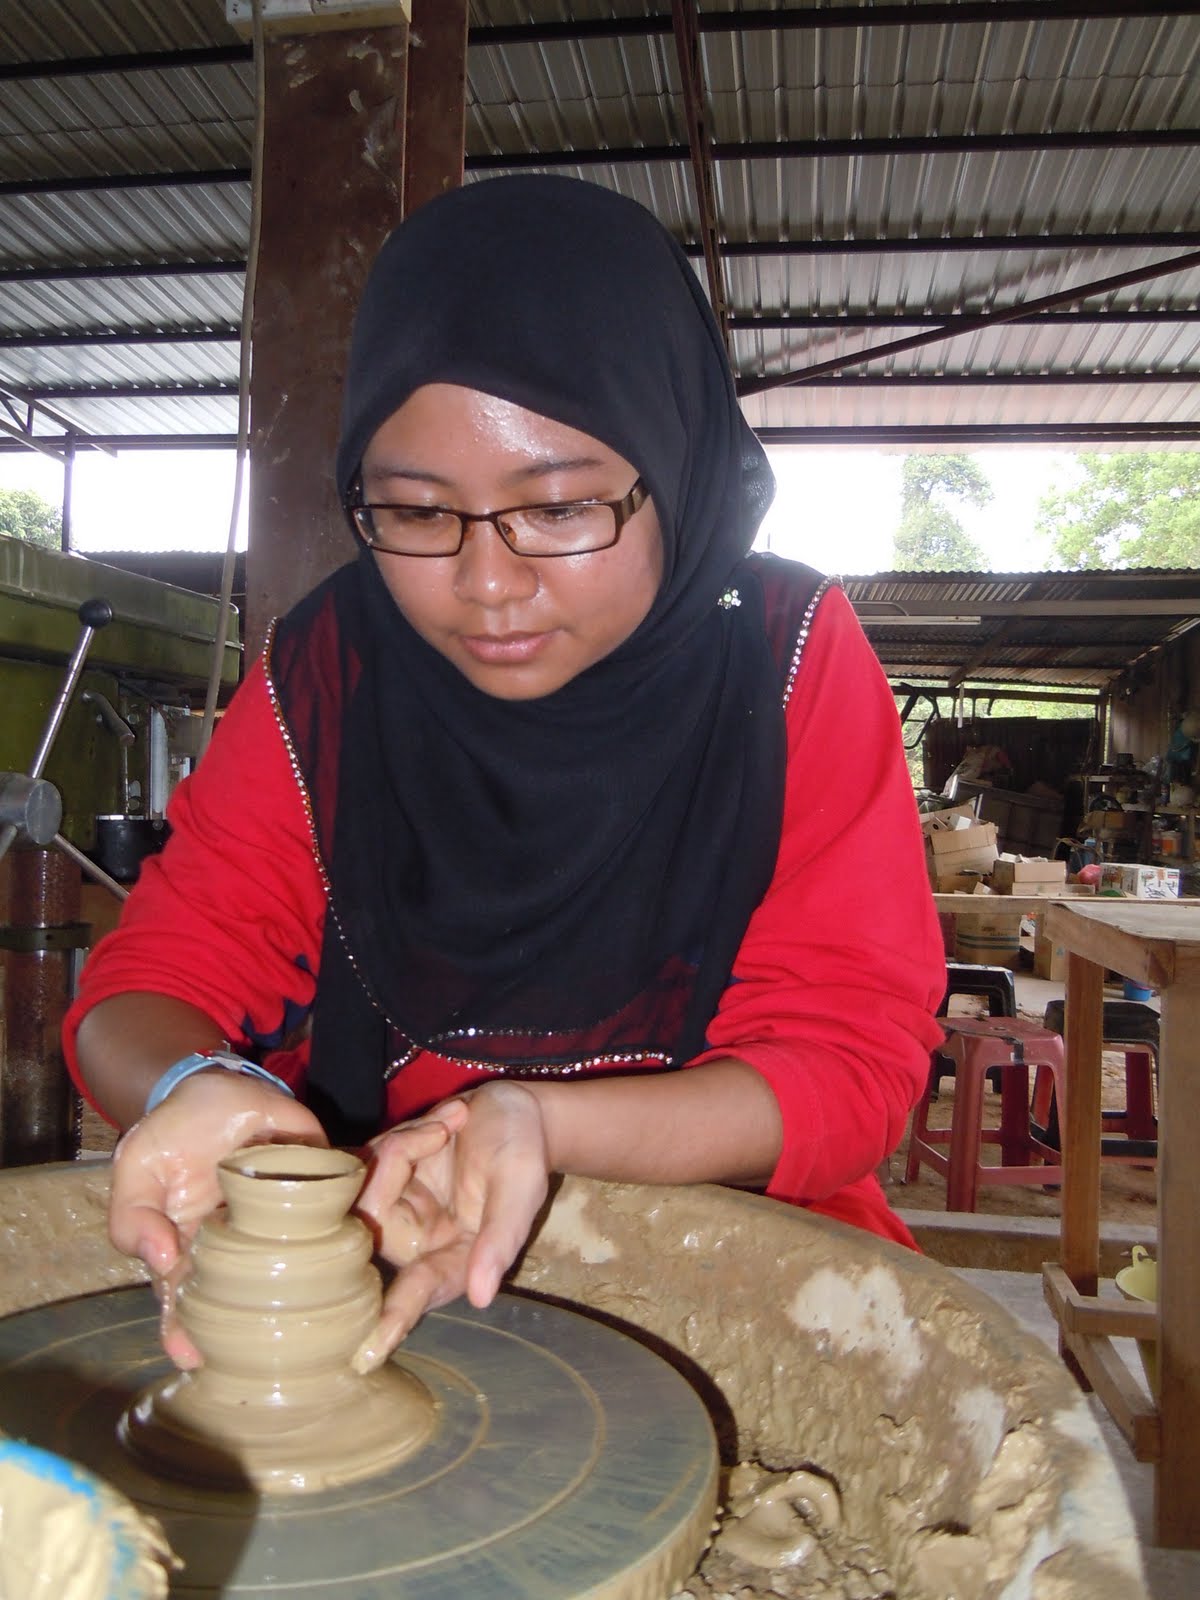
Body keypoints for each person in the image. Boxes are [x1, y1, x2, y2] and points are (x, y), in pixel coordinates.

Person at [65, 174, 946, 1374]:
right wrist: (192, 1080)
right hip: (387, 1225)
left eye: (562, 507)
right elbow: (151, 977)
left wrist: (537, 1121)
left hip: (736, 1224)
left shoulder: (784, 653)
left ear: (673, 466)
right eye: (418, 513)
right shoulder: (329, 668)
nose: (487, 582)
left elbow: (849, 1064)